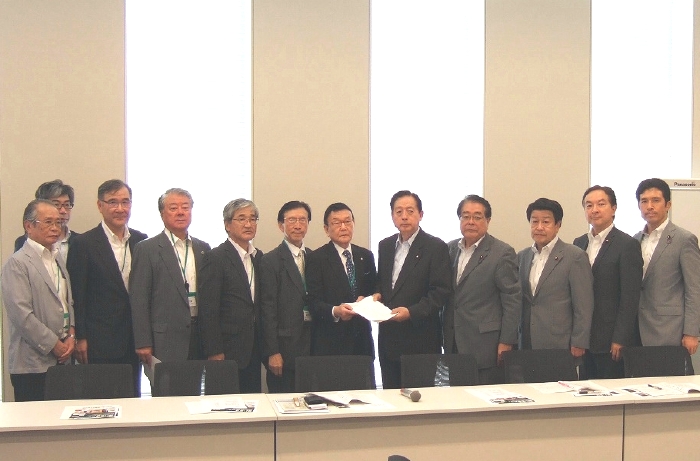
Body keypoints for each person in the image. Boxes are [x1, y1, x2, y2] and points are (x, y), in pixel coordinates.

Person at [67, 179, 148, 396]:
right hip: (99, 340)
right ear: (100, 205)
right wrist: (81, 337)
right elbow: (77, 295)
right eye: (113, 202)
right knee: (102, 400)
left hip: (134, 339)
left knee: (132, 398)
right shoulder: (84, 244)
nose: (120, 208)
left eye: (125, 202)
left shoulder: (141, 241)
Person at [374, 191, 452, 389]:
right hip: (388, 339)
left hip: (421, 339)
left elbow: (440, 292)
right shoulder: (385, 245)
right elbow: (383, 282)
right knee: (391, 397)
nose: (404, 216)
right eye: (398, 212)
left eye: (410, 211)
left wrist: (411, 312)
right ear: (392, 216)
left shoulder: (435, 247)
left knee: (420, 399)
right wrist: (376, 294)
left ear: (421, 214)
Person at [443, 195, 521, 384]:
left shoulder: (502, 253)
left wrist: (507, 341)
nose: (470, 222)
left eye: (477, 217)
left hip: (486, 345)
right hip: (453, 341)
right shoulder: (449, 249)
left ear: (488, 220)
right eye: (465, 216)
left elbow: (512, 300)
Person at [2, 199, 75, 401]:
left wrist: (71, 335)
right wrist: (54, 344)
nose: (55, 228)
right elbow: (22, 315)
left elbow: (67, 301)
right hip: (32, 364)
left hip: (62, 359)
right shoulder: (17, 263)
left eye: (58, 222)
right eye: (48, 222)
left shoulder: (56, 257)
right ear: (28, 226)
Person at [130, 188, 210, 370]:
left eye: (185, 207)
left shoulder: (203, 248)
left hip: (199, 336)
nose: (180, 212)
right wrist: (143, 341)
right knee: (168, 387)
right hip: (164, 339)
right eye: (173, 208)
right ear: (162, 213)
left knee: (196, 387)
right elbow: (139, 299)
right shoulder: (147, 249)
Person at [573, 186, 643, 378]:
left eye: (601, 204)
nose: (594, 210)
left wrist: (621, 338)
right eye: (589, 205)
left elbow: (630, 297)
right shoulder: (579, 243)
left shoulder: (627, 245)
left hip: (611, 340)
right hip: (584, 339)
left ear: (613, 208)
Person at [199, 199, 264, 393]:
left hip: (254, 348)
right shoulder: (216, 257)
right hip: (226, 349)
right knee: (224, 404)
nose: (248, 224)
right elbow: (208, 308)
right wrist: (214, 350)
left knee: (252, 403)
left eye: (253, 219)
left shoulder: (259, 257)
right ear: (227, 225)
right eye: (241, 219)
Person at [518, 198, 594, 360]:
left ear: (558, 225)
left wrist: (579, 341)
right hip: (526, 340)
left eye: (546, 222)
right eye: (534, 221)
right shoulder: (522, 256)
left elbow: (584, 305)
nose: (539, 227)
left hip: (560, 341)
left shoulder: (574, 256)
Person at [633, 178, 700, 355]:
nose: (649, 206)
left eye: (656, 200)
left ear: (668, 205)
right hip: (637, 328)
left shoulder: (684, 239)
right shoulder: (635, 240)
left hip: (670, 329)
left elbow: (694, 289)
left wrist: (692, 332)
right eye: (644, 201)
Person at [306, 203, 376, 360]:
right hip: (331, 343)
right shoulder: (316, 259)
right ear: (326, 229)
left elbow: (374, 289)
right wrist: (335, 311)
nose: (343, 227)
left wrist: (368, 300)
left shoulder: (365, 256)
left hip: (362, 341)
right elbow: (313, 302)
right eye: (337, 223)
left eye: (347, 221)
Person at [259, 201, 314, 393]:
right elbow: (267, 309)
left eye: (302, 220)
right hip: (284, 349)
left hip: (312, 347)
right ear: (280, 225)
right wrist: (272, 351)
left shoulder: (315, 258)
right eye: (292, 220)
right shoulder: (270, 261)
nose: (298, 225)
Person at [14, 179, 80, 262]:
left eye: (67, 205)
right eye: (56, 204)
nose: (63, 211)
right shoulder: (25, 242)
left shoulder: (80, 241)